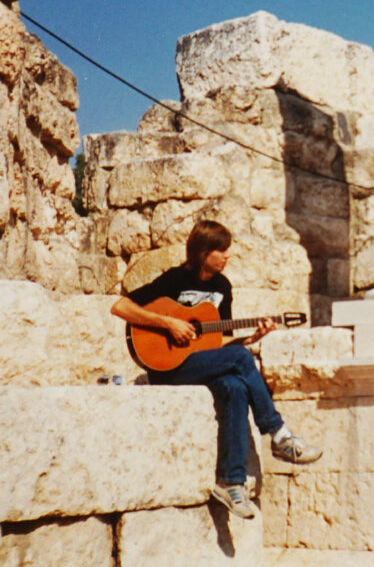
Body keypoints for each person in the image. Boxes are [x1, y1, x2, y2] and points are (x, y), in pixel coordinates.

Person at [111, 219, 322, 519]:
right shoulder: (174, 280)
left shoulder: (223, 287)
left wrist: (253, 337)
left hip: (201, 362)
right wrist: (169, 322)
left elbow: (219, 340)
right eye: (221, 250)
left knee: (235, 387)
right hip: (167, 368)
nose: (227, 256)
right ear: (203, 251)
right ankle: (277, 434)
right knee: (239, 359)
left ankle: (230, 482)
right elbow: (120, 307)